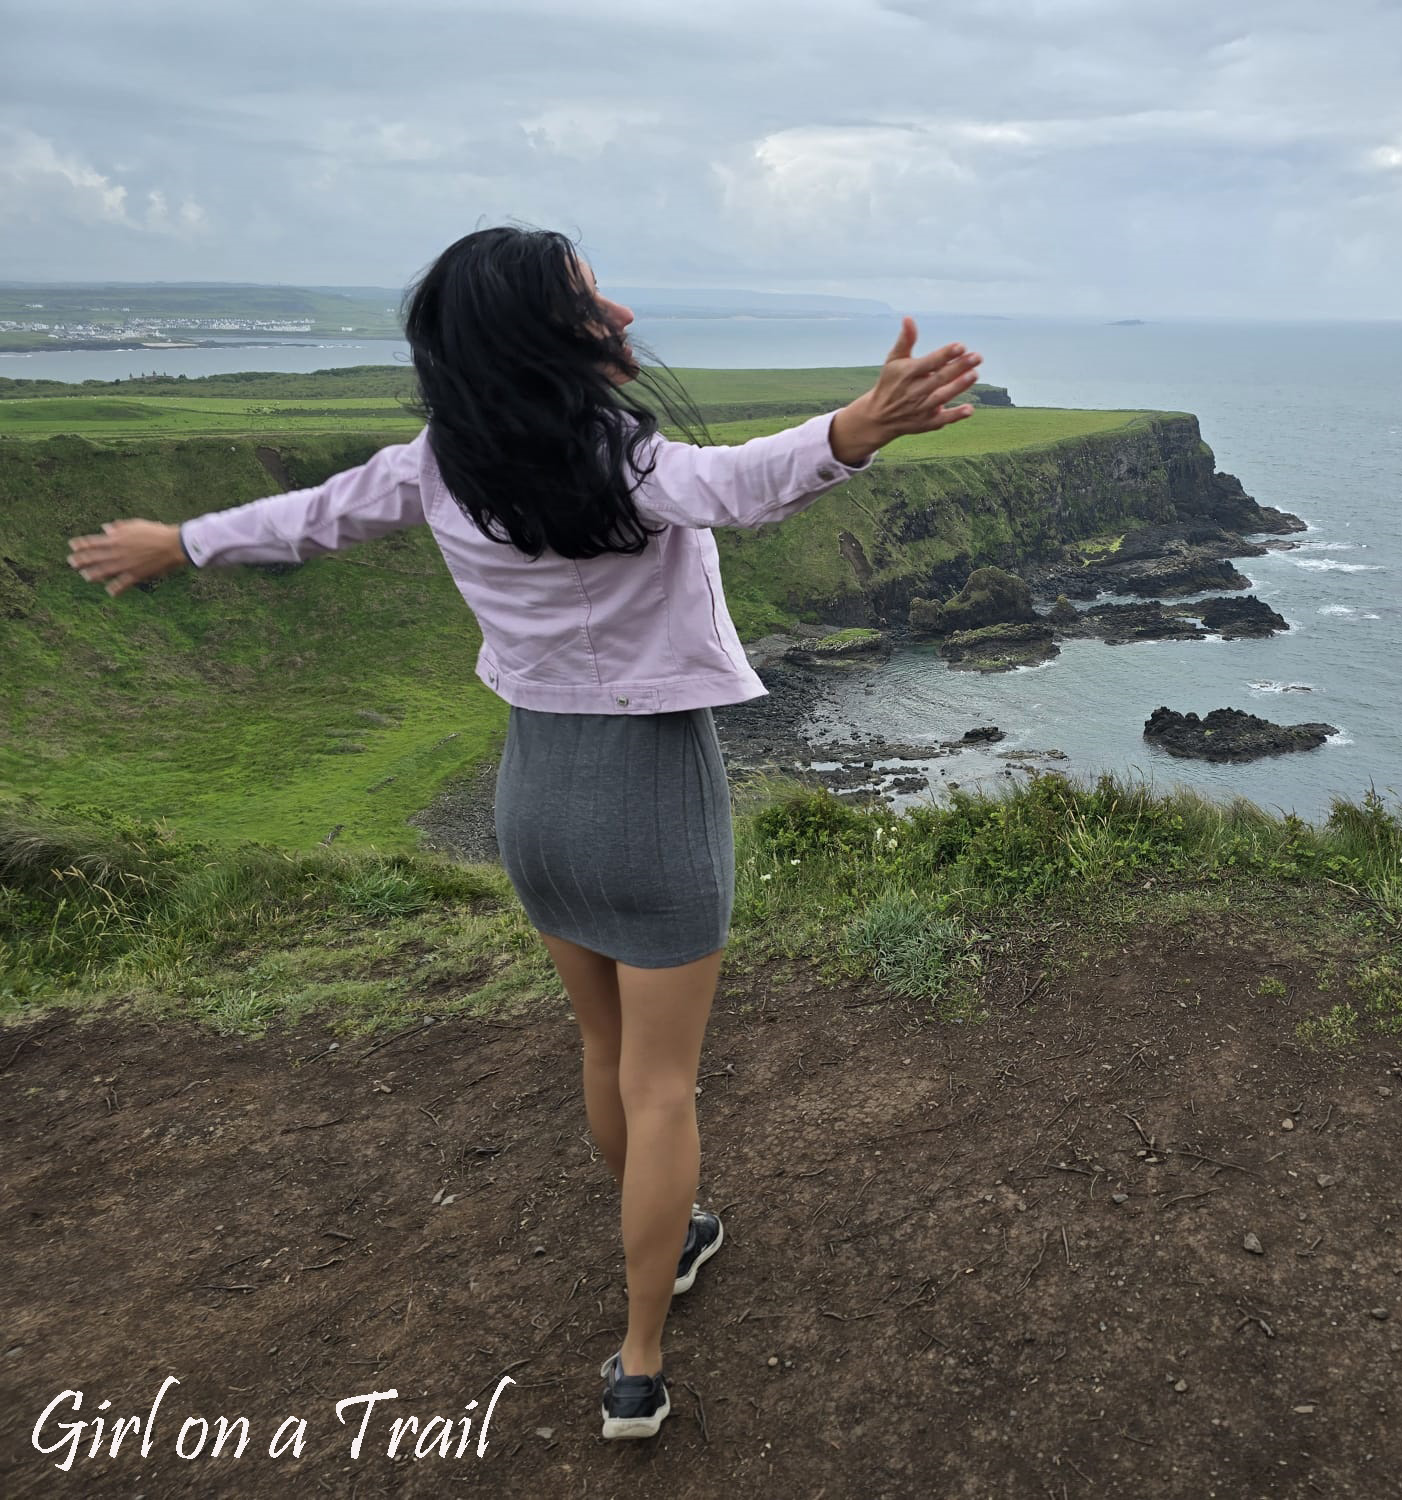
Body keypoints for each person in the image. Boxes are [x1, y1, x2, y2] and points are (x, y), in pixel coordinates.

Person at [64, 224, 983, 1441]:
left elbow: (311, 519)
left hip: (533, 790)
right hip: (647, 786)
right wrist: (852, 433)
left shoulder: (440, 463)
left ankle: (672, 1250)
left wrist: (178, 542)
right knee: (664, 1087)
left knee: (608, 1056)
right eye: (591, 304)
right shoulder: (627, 462)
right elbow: (740, 484)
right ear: (540, 338)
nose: (618, 317)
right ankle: (637, 1362)